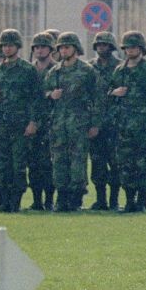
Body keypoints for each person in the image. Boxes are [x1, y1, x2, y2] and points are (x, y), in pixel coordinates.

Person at [0, 29, 44, 213]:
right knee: (1, 164)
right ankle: (3, 199)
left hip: (20, 125)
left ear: (17, 47)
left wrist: (34, 122)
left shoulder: (27, 70)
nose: (7, 49)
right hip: (0, 124)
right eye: (4, 45)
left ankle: (16, 201)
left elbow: (36, 98)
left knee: (18, 164)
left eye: (10, 45)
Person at [106, 31, 146, 212]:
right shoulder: (119, 70)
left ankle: (142, 199)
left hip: (144, 124)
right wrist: (114, 93)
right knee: (125, 163)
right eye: (127, 47)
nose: (130, 50)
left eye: (134, 47)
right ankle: (129, 199)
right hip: (123, 125)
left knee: (144, 164)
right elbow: (107, 95)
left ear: (141, 49)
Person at [42, 31, 101, 212]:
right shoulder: (54, 71)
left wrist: (95, 124)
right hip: (59, 123)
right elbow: (43, 94)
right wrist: (51, 95)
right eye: (61, 48)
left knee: (78, 160)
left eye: (67, 47)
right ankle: (62, 196)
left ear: (75, 49)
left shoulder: (87, 71)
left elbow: (97, 98)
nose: (64, 51)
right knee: (59, 159)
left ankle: (76, 197)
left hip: (79, 122)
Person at [86, 31, 121, 211]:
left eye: (105, 45)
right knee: (97, 163)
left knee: (115, 163)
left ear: (111, 47)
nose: (101, 47)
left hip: (115, 122)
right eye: (98, 45)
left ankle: (114, 199)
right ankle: (101, 199)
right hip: (95, 123)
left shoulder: (120, 67)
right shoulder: (88, 68)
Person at [26, 32, 58, 210]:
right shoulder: (29, 70)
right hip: (32, 122)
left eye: (43, 47)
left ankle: (49, 199)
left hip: (52, 122)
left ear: (50, 49)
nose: (39, 50)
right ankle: (37, 200)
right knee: (33, 163)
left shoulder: (58, 69)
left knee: (49, 163)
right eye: (36, 47)